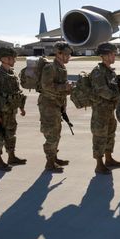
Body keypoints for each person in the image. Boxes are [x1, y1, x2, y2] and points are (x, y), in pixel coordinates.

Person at [0, 46, 27, 171]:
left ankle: (11, 156)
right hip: (0, 111)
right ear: (3, 59)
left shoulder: (12, 73)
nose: (14, 60)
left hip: (11, 110)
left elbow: (17, 92)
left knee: (11, 133)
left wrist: (21, 107)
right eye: (11, 58)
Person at [90, 42, 120, 175]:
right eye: (112, 54)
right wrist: (119, 97)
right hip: (100, 111)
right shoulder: (98, 72)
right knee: (99, 136)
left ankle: (109, 159)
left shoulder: (109, 71)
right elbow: (103, 91)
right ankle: (99, 164)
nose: (114, 56)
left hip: (109, 110)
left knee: (110, 134)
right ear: (104, 55)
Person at [39, 41, 73, 172]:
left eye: (69, 54)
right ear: (58, 53)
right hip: (48, 106)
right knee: (51, 134)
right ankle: (49, 162)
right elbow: (46, 87)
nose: (69, 56)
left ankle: (54, 157)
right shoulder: (50, 67)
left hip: (57, 104)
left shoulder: (61, 67)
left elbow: (59, 87)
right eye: (66, 54)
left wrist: (68, 88)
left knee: (57, 133)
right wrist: (65, 87)